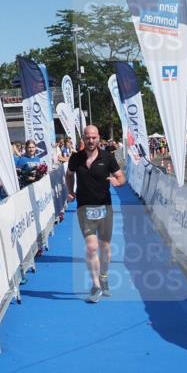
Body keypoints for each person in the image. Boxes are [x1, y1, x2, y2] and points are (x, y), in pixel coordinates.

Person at [65, 125, 125, 303]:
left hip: (104, 207)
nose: (91, 141)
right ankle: (96, 285)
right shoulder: (75, 158)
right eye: (87, 137)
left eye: (94, 137)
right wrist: (70, 190)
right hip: (84, 207)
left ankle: (104, 275)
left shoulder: (108, 157)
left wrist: (117, 181)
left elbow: (122, 177)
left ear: (99, 138)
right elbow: (69, 175)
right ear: (83, 138)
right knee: (92, 247)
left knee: (105, 247)